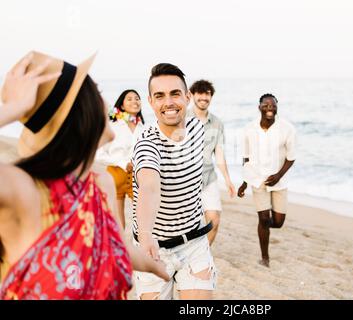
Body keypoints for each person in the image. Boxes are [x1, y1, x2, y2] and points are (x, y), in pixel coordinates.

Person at [0, 52, 169, 300]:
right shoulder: (25, 189)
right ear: (83, 108)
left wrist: (155, 265)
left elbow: (117, 247)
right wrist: (13, 109)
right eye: (97, 90)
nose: (106, 101)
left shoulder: (102, 185)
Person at [131, 63, 217, 300]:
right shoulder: (147, 144)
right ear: (150, 102)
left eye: (175, 93)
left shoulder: (197, 128)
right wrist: (147, 234)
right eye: (160, 96)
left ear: (187, 97)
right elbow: (149, 186)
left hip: (194, 243)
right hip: (153, 249)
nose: (168, 102)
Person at [237, 93, 297, 268]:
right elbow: (246, 158)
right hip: (257, 180)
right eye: (266, 105)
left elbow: (291, 157)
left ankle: (264, 225)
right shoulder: (249, 129)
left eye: (273, 105)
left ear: (277, 107)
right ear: (259, 107)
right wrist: (245, 182)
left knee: (278, 222)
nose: (269, 108)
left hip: (279, 182)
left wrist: (278, 175)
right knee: (263, 218)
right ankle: (265, 257)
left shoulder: (287, 129)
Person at [187, 80, 235, 245]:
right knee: (186, 227)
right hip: (184, 180)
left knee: (214, 221)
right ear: (192, 95)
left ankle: (203, 256)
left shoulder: (217, 123)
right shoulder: (181, 119)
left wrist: (228, 179)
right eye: (200, 93)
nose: (204, 97)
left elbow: (219, 154)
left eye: (207, 93)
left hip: (209, 178)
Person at [96, 89, 145, 229]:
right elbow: (98, 154)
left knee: (142, 218)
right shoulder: (113, 126)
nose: (135, 101)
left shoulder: (144, 128)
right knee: (118, 223)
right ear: (122, 106)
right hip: (115, 175)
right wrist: (122, 163)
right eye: (129, 99)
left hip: (137, 177)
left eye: (137, 98)